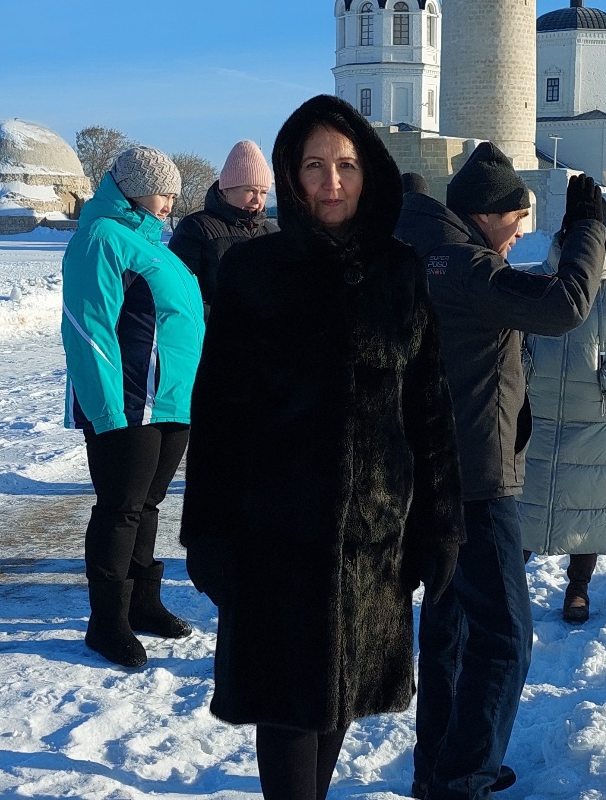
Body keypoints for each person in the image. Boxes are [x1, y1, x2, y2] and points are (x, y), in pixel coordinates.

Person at [180, 94, 466, 800]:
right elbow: (217, 415)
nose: (331, 183)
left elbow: (428, 411)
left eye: (346, 165)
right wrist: (208, 533)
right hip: (274, 542)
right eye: (314, 166)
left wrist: (440, 527)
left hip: (373, 538)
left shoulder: (401, 272)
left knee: (341, 697)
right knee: (286, 708)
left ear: (370, 172)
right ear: (290, 174)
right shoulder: (253, 271)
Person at [395, 146, 606, 800]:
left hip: (439, 470)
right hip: (474, 482)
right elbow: (564, 305)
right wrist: (586, 229)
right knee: (507, 637)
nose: (520, 233)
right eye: (517, 219)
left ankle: (441, 766)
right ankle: (462, 778)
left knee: (451, 629)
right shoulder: (464, 265)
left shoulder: (431, 252)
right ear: (487, 215)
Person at [60, 145, 205, 669]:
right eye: (164, 192)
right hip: (126, 403)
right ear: (136, 189)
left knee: (147, 505)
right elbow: (87, 329)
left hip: (168, 401)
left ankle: (143, 603)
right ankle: (107, 621)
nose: (170, 202)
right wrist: (107, 412)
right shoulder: (101, 238)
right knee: (120, 508)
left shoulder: (150, 243)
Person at [518, 229, 606, 625]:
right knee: (524, 502)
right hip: (536, 414)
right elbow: (512, 338)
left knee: (586, 506)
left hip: (597, 421)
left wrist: (604, 379)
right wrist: (526, 371)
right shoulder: (536, 281)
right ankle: (505, 586)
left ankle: (578, 587)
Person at [168, 139, 279, 313]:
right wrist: (221, 321)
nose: (257, 200)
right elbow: (180, 292)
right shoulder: (196, 228)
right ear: (226, 189)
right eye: (249, 190)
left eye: (263, 192)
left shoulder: (273, 233)